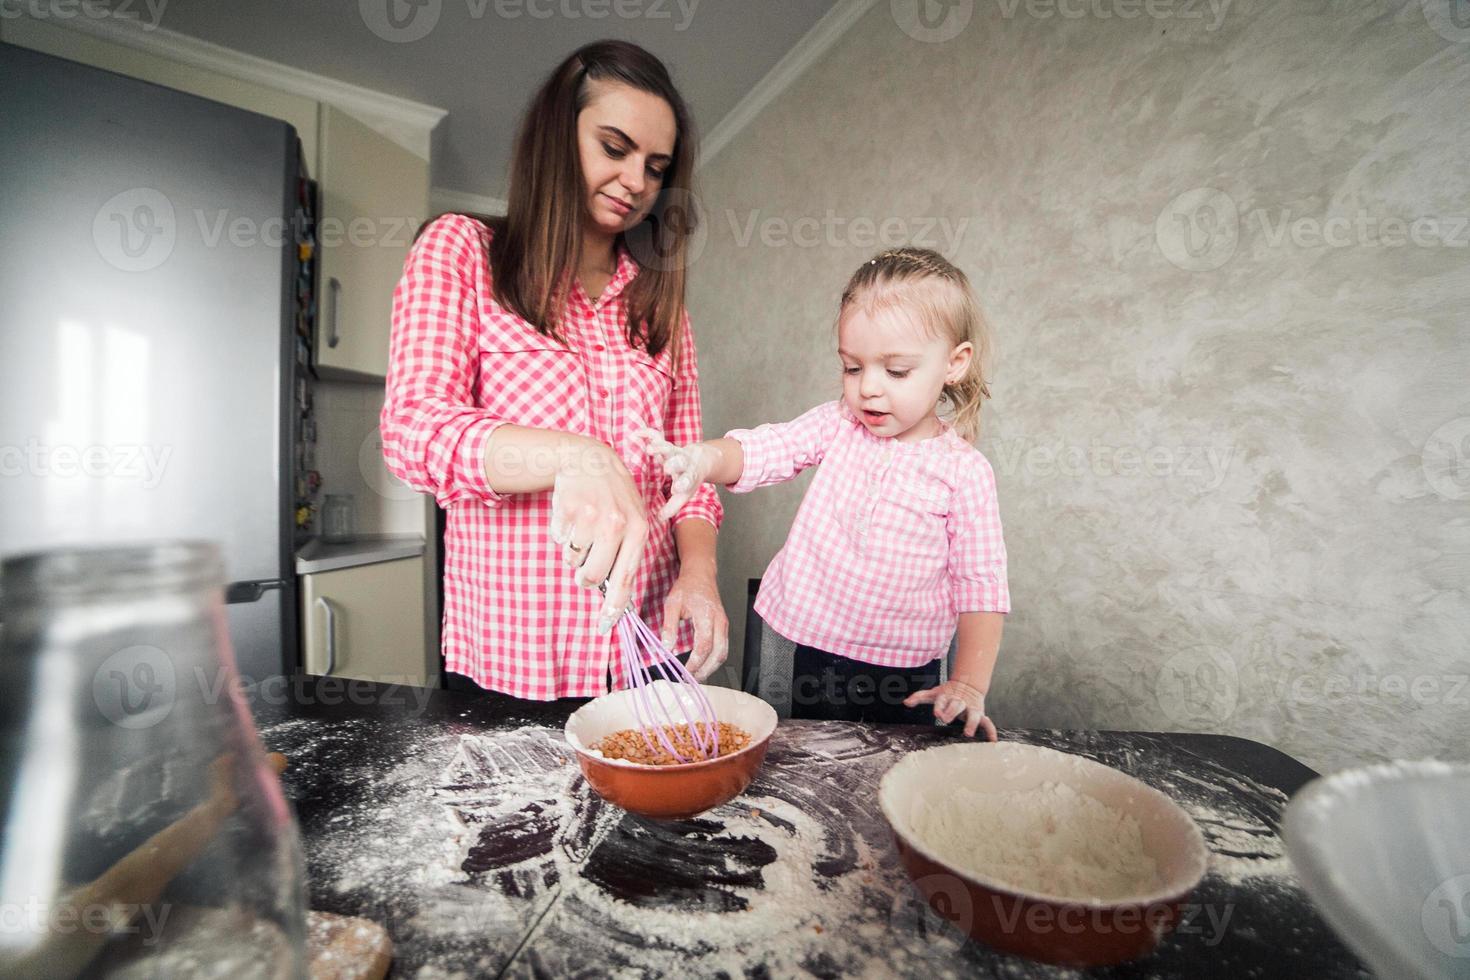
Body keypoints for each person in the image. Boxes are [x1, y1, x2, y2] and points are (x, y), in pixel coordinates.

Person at [381, 40, 727, 701]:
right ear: (556, 136)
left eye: (656, 168)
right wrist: (577, 456)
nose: (635, 182)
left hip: (647, 651)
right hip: (512, 660)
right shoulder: (461, 251)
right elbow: (413, 432)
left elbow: (692, 474)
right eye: (615, 147)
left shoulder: (663, 308)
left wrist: (700, 575)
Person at [639, 247, 1008, 739]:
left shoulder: (965, 473)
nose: (868, 389)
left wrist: (968, 682)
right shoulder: (837, 425)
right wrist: (704, 458)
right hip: (796, 642)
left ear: (954, 364)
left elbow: (980, 583)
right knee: (786, 759)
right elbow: (768, 448)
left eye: (896, 371)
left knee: (881, 775)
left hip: (903, 671)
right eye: (852, 368)